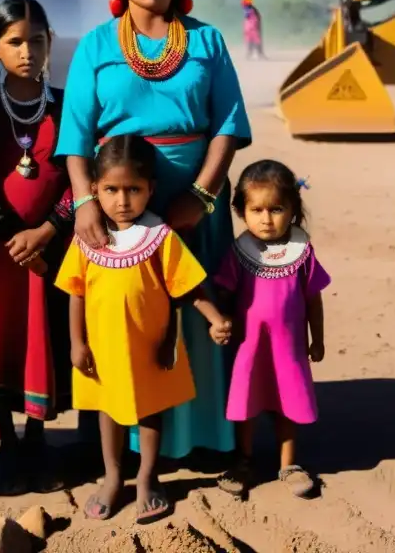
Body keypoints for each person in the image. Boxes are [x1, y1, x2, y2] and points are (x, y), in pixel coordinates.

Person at [56, 0, 252, 464]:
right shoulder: (96, 46)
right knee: (130, 320)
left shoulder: (208, 41)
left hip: (196, 206)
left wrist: (204, 197)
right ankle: (136, 448)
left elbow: (228, 126)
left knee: (198, 313)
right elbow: (74, 135)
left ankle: (208, 437)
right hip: (116, 209)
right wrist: (86, 203)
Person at [55, 135, 233, 523]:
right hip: (102, 351)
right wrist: (76, 343)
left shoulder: (159, 236)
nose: (122, 200)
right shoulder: (88, 239)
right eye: (112, 190)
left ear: (150, 189)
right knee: (108, 411)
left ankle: (148, 477)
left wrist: (215, 318)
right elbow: (76, 293)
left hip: (151, 347)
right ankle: (114, 476)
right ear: (94, 190)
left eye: (133, 189)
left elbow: (186, 287)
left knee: (151, 413)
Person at [0, 0, 74, 495]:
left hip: (53, 248)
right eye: (14, 41)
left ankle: (36, 438)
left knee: (46, 336)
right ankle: (6, 442)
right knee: (0, 337)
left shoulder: (67, 103)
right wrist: (13, 239)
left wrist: (48, 230)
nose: (27, 50)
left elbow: (78, 178)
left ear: (50, 42)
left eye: (36, 40)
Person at [214, 160, 330, 500]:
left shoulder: (301, 253)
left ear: (293, 209)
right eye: (257, 210)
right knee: (246, 407)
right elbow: (223, 293)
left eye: (276, 209)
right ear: (241, 211)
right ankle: (244, 461)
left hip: (290, 350)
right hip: (249, 349)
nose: (266, 219)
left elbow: (313, 300)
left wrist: (317, 339)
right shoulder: (239, 253)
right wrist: (220, 323)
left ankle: (289, 464)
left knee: (287, 405)